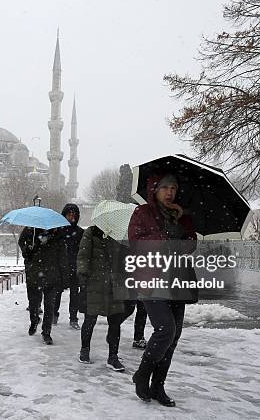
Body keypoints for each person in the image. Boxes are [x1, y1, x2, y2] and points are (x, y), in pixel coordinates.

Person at [128, 173, 197, 406]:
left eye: (174, 189)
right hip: (151, 278)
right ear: (154, 190)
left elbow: (191, 244)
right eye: (165, 188)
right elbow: (137, 242)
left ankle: (158, 386)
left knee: (174, 336)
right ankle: (142, 374)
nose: (170, 193)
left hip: (177, 279)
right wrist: (166, 236)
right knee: (165, 329)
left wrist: (182, 225)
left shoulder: (181, 215)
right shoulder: (142, 213)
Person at [76, 224, 129, 371]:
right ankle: (84, 350)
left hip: (115, 284)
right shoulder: (91, 233)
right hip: (95, 283)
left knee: (115, 321)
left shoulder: (120, 235)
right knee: (90, 319)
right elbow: (83, 255)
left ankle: (113, 357)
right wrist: (83, 274)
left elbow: (125, 258)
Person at [18, 227, 64, 345]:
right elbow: (21, 243)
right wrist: (27, 249)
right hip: (34, 273)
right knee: (33, 303)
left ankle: (46, 332)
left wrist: (63, 275)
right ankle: (34, 321)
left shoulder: (57, 233)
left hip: (51, 274)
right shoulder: (30, 230)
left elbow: (62, 254)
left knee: (49, 305)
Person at [54, 203, 84, 329]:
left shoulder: (80, 232)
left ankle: (73, 318)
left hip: (74, 267)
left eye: (74, 214)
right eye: (69, 214)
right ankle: (53, 316)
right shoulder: (58, 231)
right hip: (60, 268)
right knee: (57, 293)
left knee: (74, 294)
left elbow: (83, 251)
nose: (72, 216)